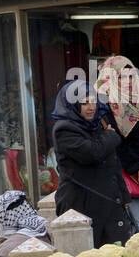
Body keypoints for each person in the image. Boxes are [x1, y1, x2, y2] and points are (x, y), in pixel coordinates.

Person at [51, 78, 134, 247]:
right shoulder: (65, 129)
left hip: (108, 202)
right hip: (81, 203)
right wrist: (110, 136)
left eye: (93, 102)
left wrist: (123, 195)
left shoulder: (97, 124)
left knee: (117, 254)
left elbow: (112, 163)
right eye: (84, 103)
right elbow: (91, 153)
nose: (91, 108)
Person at [96, 57, 139, 236]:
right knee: (137, 230)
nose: (127, 81)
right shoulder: (105, 105)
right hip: (126, 172)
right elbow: (114, 142)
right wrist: (138, 166)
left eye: (131, 76)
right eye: (120, 77)